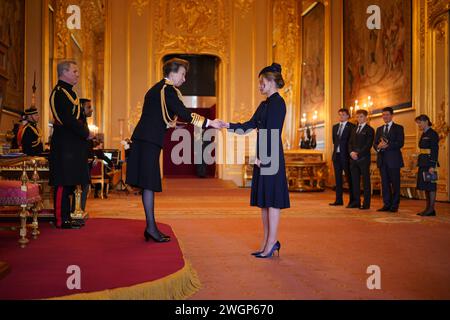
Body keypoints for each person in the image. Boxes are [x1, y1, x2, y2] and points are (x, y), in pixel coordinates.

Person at [126, 58, 223, 243]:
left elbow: (162, 115)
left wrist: (173, 124)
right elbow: (185, 113)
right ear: (172, 73)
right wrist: (210, 123)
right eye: (183, 74)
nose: (184, 79)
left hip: (147, 139)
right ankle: (151, 228)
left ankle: (151, 227)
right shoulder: (167, 89)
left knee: (149, 184)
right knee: (149, 183)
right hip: (148, 140)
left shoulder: (161, 88)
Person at [221, 63, 290, 259]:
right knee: (264, 201)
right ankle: (268, 241)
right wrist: (227, 125)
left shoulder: (278, 103)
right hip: (263, 153)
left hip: (271, 154)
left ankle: (271, 242)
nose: (259, 86)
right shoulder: (264, 104)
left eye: (262, 83)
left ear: (271, 82)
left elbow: (273, 131)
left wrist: (264, 157)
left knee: (273, 201)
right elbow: (249, 125)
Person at [49, 61, 94, 229]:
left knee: (70, 182)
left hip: (72, 145)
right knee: (63, 182)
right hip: (63, 145)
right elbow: (66, 119)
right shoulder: (59, 93)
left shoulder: (70, 93)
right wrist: (85, 132)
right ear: (64, 72)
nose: (77, 74)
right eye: (75, 71)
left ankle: (67, 216)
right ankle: (61, 219)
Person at [373, 107, 405, 213]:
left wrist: (387, 145)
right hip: (382, 160)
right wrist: (379, 146)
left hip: (394, 160)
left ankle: (394, 205)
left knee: (395, 184)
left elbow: (400, 143)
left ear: (392, 115)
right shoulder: (379, 129)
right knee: (385, 184)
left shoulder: (399, 128)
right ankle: (386, 204)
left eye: (387, 114)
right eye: (383, 115)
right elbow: (375, 144)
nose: (385, 117)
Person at [348, 109, 375, 210]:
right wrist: (351, 152)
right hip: (353, 159)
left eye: (361, 117)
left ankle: (366, 203)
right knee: (355, 181)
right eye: (358, 117)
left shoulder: (370, 130)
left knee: (365, 182)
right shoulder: (354, 129)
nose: (359, 118)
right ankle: (356, 202)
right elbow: (349, 143)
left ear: (366, 117)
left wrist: (358, 154)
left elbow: (368, 145)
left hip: (363, 158)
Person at [330, 108, 356, 206]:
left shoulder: (352, 127)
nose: (341, 116)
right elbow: (334, 141)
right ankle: (338, 200)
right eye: (340, 114)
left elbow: (352, 142)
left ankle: (352, 200)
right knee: (338, 179)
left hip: (346, 156)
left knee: (350, 178)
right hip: (336, 156)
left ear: (348, 116)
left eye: (343, 114)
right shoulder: (335, 127)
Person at [415, 115, 439, 217]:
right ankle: (428, 208)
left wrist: (432, 165)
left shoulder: (432, 133)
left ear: (426, 121)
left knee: (431, 186)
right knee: (426, 186)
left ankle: (431, 209)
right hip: (423, 163)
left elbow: (435, 150)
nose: (419, 125)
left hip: (429, 163)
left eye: (420, 122)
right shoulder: (424, 133)